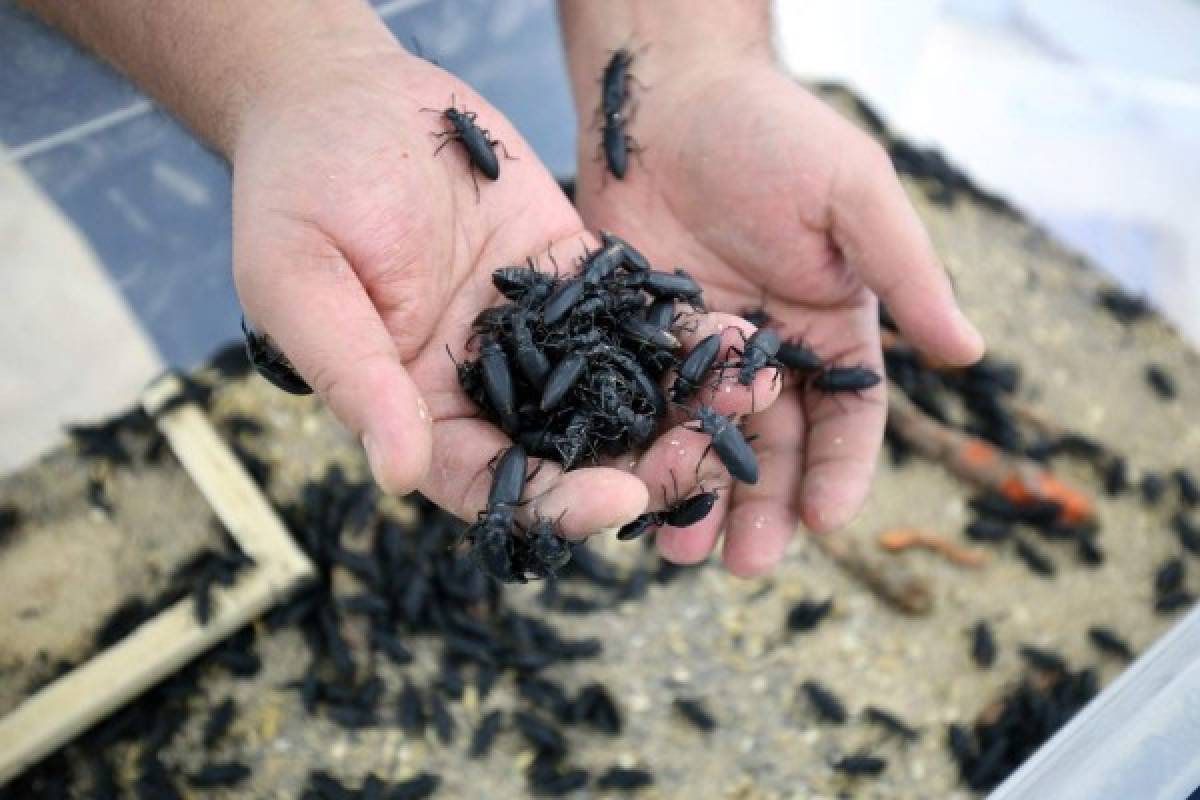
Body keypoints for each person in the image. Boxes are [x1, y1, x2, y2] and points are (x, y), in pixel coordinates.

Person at [23, 0, 984, 576]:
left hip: (510, 47)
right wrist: (291, 69)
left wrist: (680, 53)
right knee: (237, 284)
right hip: (147, 54)